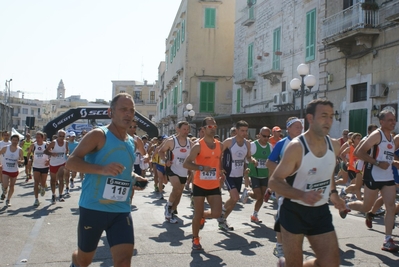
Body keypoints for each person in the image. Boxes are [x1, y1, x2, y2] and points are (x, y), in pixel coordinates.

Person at [66, 93, 147, 267]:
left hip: (120, 209)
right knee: (83, 260)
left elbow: (123, 172)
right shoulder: (98, 135)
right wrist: (101, 169)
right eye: (123, 109)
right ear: (111, 112)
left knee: (124, 261)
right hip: (94, 208)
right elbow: (71, 162)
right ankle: (76, 260)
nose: (128, 113)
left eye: (131, 110)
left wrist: (134, 178)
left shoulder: (131, 142)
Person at [269, 99, 346, 267]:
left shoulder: (334, 145)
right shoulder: (297, 147)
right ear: (310, 118)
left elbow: (328, 171)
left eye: (331, 116)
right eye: (324, 116)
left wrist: (334, 194)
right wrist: (302, 195)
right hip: (293, 211)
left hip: (320, 211)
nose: (328, 121)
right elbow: (274, 181)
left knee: (331, 263)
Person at [347, 109, 399, 252]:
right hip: (373, 175)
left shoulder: (391, 138)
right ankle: (347, 205)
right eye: (390, 120)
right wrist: (376, 163)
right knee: (366, 207)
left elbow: (385, 156)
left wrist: (394, 162)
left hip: (388, 177)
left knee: (390, 207)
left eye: (394, 119)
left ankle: (387, 240)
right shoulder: (377, 135)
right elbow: (358, 152)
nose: (393, 122)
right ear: (381, 122)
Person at [183, 117, 224, 250]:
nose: (213, 129)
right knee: (196, 213)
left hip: (214, 185)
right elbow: (186, 163)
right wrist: (201, 168)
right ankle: (195, 238)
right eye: (210, 127)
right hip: (199, 184)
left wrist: (221, 171)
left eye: (215, 126)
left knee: (217, 213)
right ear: (204, 129)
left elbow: (218, 160)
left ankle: (203, 216)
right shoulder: (198, 146)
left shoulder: (220, 145)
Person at [266, 117, 303, 259]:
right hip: (284, 184)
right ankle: (280, 246)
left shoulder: (305, 143)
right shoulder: (282, 143)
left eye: (301, 127)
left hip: (301, 184)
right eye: (296, 127)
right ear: (288, 129)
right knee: (282, 214)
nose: (299, 129)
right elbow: (269, 163)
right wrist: (285, 172)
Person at [218, 120, 256, 231]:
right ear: (237, 131)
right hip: (229, 173)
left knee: (234, 201)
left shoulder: (247, 143)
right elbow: (218, 155)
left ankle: (223, 220)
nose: (244, 133)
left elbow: (248, 157)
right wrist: (220, 168)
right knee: (235, 197)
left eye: (246, 131)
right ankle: (222, 213)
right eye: (242, 130)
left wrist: (253, 160)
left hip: (239, 175)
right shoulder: (229, 142)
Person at [159, 121, 192, 224]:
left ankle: (171, 211)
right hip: (172, 169)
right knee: (176, 188)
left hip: (183, 170)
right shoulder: (171, 141)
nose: (186, 131)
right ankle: (168, 206)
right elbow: (161, 151)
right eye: (184, 129)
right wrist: (165, 160)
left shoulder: (190, 142)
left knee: (179, 193)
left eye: (187, 129)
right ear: (178, 129)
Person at [241, 127, 273, 224]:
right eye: (264, 136)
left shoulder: (270, 147)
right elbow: (247, 158)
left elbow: (271, 162)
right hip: (254, 173)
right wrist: (250, 164)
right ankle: (248, 193)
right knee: (257, 195)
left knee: (261, 196)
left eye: (268, 136)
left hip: (264, 175)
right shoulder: (253, 145)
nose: (266, 138)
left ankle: (255, 214)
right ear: (259, 134)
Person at [44, 130, 69, 203]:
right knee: (53, 180)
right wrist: (51, 154)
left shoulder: (66, 143)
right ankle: (53, 194)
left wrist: (67, 155)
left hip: (62, 163)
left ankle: (61, 195)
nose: (61, 138)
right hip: (53, 163)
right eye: (60, 136)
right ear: (57, 136)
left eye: (63, 136)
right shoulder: (54, 143)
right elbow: (45, 151)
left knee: (61, 178)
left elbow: (67, 151)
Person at [0, 134, 24, 207]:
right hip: (5, 169)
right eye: (13, 140)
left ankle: (8, 199)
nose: (14, 141)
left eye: (16, 140)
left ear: (18, 141)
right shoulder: (5, 148)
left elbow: (22, 159)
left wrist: (21, 161)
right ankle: (4, 191)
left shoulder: (20, 150)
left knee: (12, 186)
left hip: (14, 170)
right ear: (11, 140)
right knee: (5, 185)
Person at [27, 131, 50, 206]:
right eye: (36, 137)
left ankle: (42, 187)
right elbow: (29, 153)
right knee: (36, 182)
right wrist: (29, 160)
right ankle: (36, 199)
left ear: (43, 138)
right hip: (36, 166)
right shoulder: (33, 145)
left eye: (39, 137)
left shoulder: (46, 145)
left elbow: (51, 153)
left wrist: (49, 160)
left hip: (44, 166)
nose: (37, 139)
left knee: (43, 182)